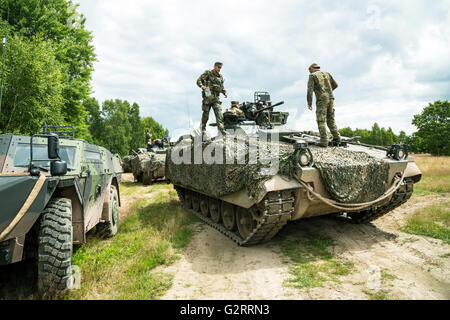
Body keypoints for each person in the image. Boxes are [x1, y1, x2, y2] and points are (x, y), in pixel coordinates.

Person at [306, 63, 340, 147]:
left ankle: (324, 141)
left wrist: (309, 103)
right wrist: (328, 91)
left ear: (312, 68)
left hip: (322, 99)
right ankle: (337, 138)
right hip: (331, 97)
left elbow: (309, 91)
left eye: (309, 70)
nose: (309, 72)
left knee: (321, 119)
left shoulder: (312, 76)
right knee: (330, 118)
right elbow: (336, 85)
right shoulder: (327, 74)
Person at [196, 62, 228, 138]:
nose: (219, 69)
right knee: (205, 115)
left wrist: (225, 92)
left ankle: (221, 130)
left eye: (220, 68)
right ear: (214, 66)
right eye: (218, 67)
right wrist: (202, 86)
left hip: (216, 98)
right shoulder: (208, 73)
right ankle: (203, 130)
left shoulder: (220, 77)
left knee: (219, 113)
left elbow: (221, 86)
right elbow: (198, 80)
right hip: (207, 95)